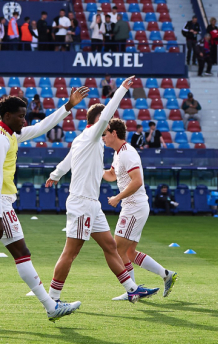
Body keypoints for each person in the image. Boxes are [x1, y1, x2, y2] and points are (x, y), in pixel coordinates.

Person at [0, 92, 88, 327]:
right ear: (7, 115)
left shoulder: (6, 134)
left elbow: (41, 127)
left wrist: (68, 106)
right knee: (21, 252)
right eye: (21, 116)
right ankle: (51, 307)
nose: (24, 120)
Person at [45, 80, 163, 304]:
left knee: (110, 246)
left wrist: (55, 175)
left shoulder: (82, 139)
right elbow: (108, 112)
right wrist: (122, 89)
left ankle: (132, 289)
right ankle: (53, 298)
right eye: (106, 120)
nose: (109, 124)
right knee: (71, 251)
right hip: (82, 203)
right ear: (99, 120)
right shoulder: (91, 135)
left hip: (92, 204)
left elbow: (67, 161)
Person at [101, 108, 178, 302]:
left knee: (117, 249)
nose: (102, 137)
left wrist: (118, 197)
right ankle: (166, 275)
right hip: (135, 207)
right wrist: (94, 169)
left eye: (105, 133)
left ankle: (132, 290)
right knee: (129, 252)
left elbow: (137, 181)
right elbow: (111, 175)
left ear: (114, 133)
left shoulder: (127, 153)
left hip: (133, 207)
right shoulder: (119, 154)